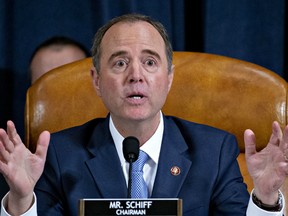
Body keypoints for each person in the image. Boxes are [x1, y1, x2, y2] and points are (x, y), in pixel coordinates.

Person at [0, 13, 287, 215]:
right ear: (96, 80)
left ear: (169, 78)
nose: (136, 76)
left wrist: (263, 198)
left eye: (150, 62)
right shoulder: (61, 154)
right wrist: (22, 201)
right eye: (120, 62)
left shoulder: (214, 151)